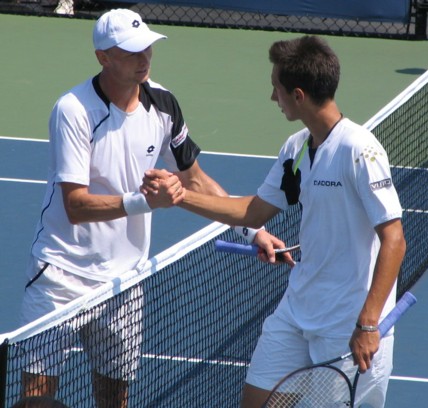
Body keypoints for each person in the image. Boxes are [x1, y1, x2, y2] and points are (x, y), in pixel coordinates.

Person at [19, 8, 278, 408]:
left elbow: (196, 181)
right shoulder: (73, 111)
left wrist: (251, 230)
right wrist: (144, 202)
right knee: (35, 400)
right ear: (103, 57)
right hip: (62, 276)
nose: (145, 59)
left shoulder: (164, 104)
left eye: (148, 49)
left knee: (114, 398)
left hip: (124, 284)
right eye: (132, 52)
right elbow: (75, 206)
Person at [144, 35, 406, 407]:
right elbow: (253, 212)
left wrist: (367, 323)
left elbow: (395, 240)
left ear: (298, 95)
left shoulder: (360, 150)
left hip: (345, 325)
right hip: (298, 310)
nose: (273, 98)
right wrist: (179, 197)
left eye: (276, 89)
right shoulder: (296, 148)